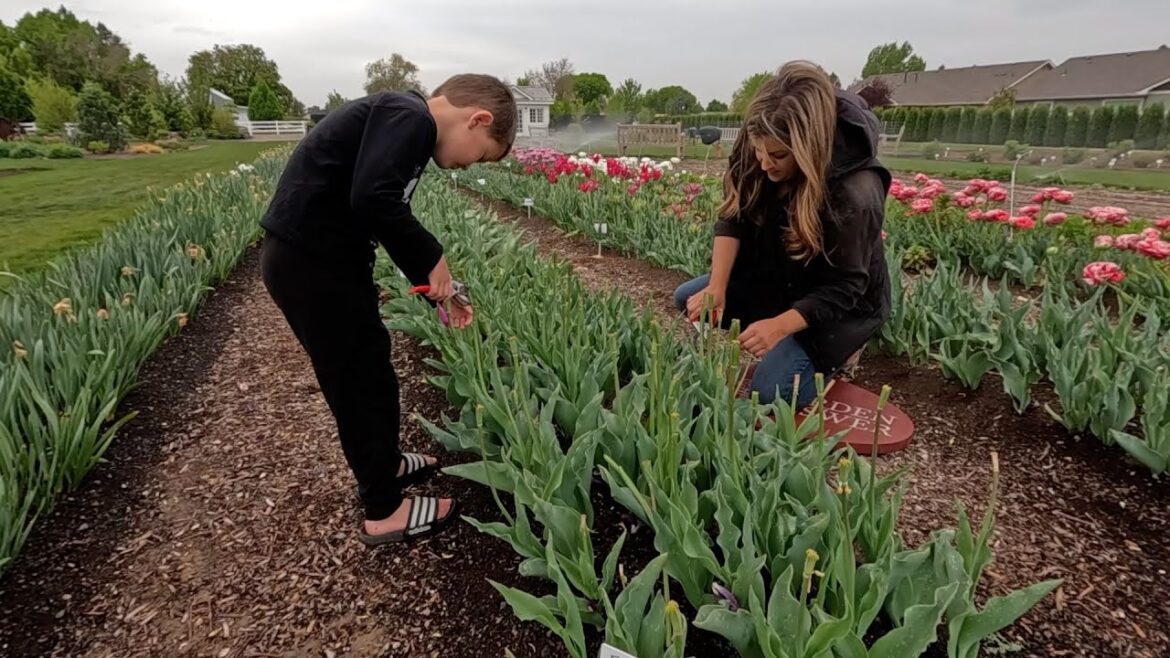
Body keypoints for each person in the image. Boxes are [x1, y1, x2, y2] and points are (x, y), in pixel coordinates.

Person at [258, 74, 516, 544]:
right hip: (310, 262)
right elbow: (374, 198)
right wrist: (432, 256)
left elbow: (372, 205)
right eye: (478, 154)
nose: (464, 167)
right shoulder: (409, 115)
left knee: (372, 366)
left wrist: (432, 279)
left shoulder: (403, 120)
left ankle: (387, 463)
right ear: (478, 119)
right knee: (357, 381)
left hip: (323, 259)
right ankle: (383, 508)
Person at [675, 61, 891, 408]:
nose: (763, 162)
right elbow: (733, 216)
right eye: (758, 151)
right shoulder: (759, 139)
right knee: (691, 299)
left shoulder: (856, 189)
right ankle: (782, 331)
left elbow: (846, 288)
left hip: (837, 306)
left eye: (776, 155)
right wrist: (716, 287)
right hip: (779, 277)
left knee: (770, 391)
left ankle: (843, 353)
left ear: (809, 148)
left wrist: (779, 326)